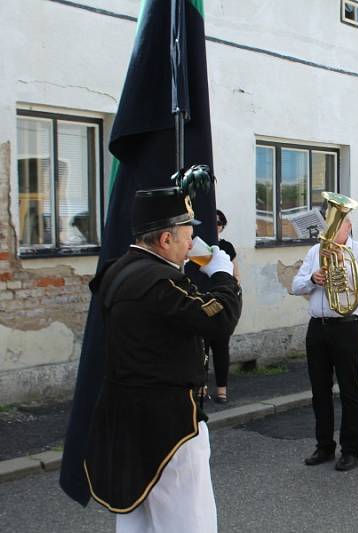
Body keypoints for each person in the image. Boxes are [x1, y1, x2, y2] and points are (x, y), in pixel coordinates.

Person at [83, 187, 242, 532]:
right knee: (188, 521)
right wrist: (223, 275)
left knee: (136, 521)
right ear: (166, 238)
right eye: (188, 235)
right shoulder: (161, 280)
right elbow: (219, 320)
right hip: (168, 422)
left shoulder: (117, 269)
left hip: (123, 417)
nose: (192, 244)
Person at [291, 215, 358, 471]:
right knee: (320, 392)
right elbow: (295, 286)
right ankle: (324, 446)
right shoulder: (315, 251)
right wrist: (312, 280)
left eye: (338, 224)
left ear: (349, 226)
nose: (332, 230)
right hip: (317, 327)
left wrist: (343, 263)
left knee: (349, 391)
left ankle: (350, 450)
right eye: (329, 224)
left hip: (346, 326)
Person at [209, 209, 239, 404]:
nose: (217, 226)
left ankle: (221, 389)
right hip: (202, 297)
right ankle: (201, 387)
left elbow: (236, 276)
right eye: (214, 222)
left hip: (221, 300)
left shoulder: (227, 247)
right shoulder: (197, 245)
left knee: (220, 345)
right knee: (199, 346)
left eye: (220, 223)